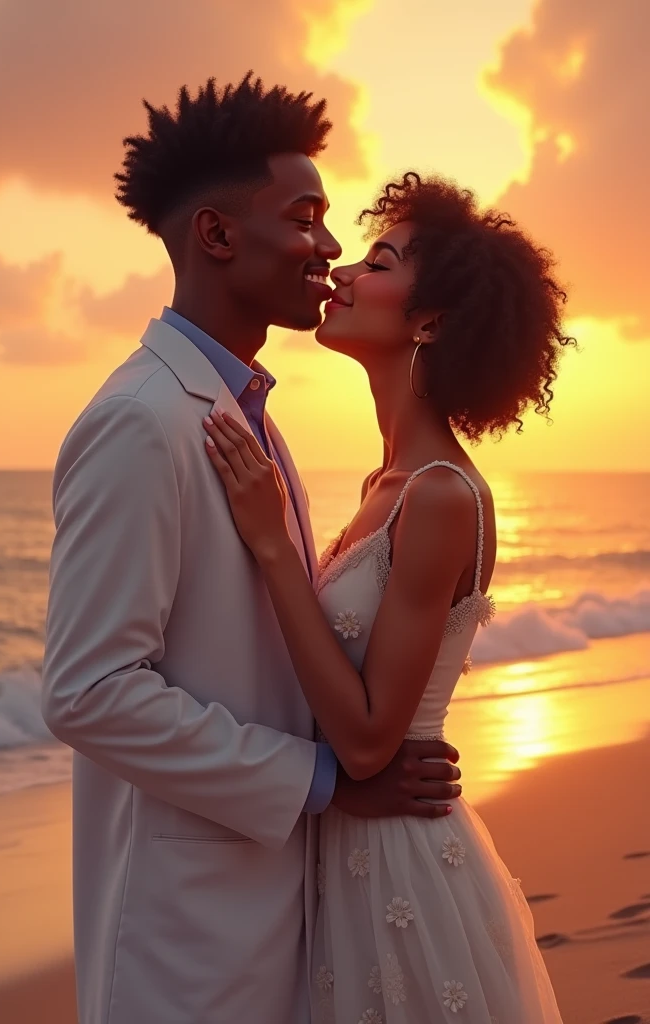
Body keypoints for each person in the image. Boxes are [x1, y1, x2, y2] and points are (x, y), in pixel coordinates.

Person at [41, 76, 464, 1024]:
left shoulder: (249, 420)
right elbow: (88, 688)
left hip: (283, 913)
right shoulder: (141, 423)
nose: (329, 246)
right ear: (218, 236)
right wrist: (323, 782)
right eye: (305, 214)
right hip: (183, 941)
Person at [205, 172, 573, 1022]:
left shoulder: (442, 494)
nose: (340, 273)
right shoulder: (387, 483)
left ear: (432, 320)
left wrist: (272, 545)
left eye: (378, 261)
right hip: (346, 856)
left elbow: (371, 740)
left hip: (401, 865)